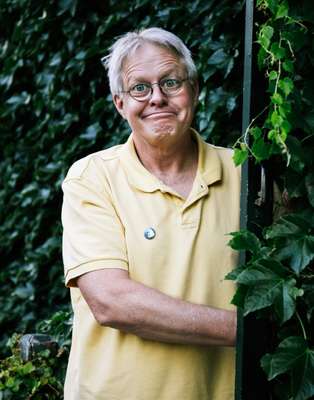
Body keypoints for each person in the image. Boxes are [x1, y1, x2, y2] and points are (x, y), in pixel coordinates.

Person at [61, 27, 241, 400]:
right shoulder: (93, 178)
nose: (157, 98)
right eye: (139, 88)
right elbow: (111, 300)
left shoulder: (246, 173)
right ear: (119, 103)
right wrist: (249, 330)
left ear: (194, 89)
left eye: (171, 82)